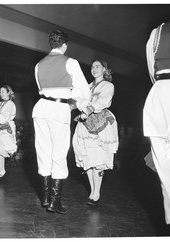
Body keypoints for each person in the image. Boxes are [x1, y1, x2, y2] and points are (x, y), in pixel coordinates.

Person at [32, 30, 91, 214]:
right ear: (64, 45)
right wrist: (79, 105)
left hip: (41, 108)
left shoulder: (38, 65)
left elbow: (41, 89)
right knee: (58, 154)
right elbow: (83, 92)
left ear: (51, 44)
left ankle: (46, 198)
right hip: (59, 110)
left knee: (43, 152)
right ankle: (55, 201)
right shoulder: (70, 62)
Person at [72, 60, 119, 206]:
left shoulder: (108, 85)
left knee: (98, 157)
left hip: (100, 122)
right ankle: (92, 191)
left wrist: (88, 110)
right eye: (92, 67)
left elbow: (103, 101)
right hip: (85, 123)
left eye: (98, 66)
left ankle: (96, 192)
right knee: (87, 157)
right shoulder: (88, 86)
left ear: (104, 69)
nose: (94, 69)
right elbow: (78, 100)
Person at [143, 18, 170, 225]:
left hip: (160, 90)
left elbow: (151, 71)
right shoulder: (157, 32)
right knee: (163, 165)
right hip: (161, 94)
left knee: (165, 166)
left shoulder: (157, 32)